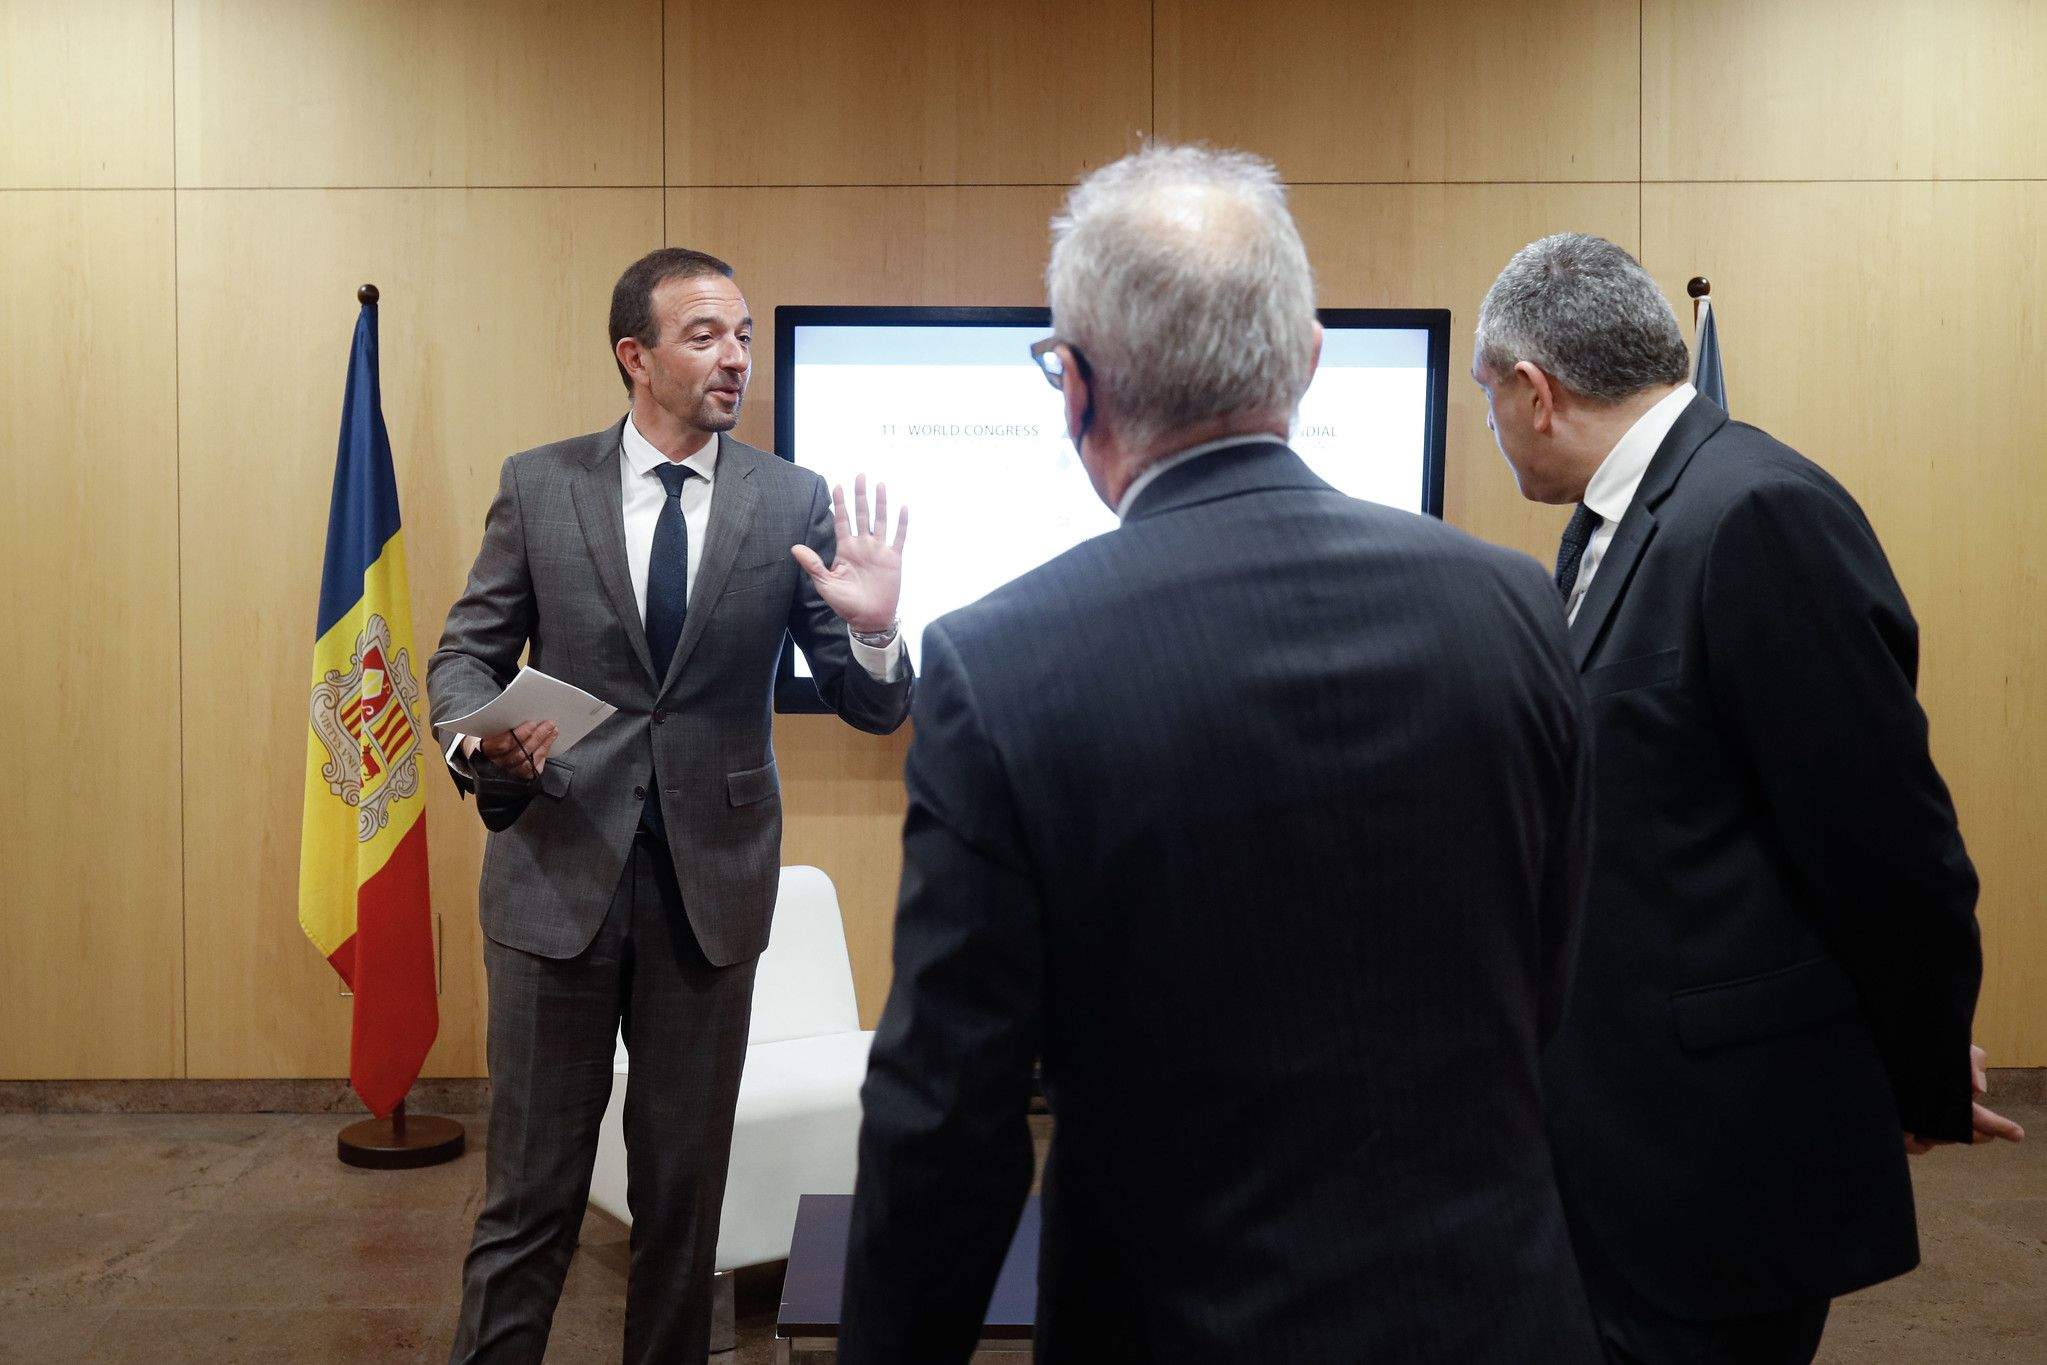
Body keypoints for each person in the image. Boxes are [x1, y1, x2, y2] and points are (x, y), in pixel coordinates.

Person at [838, 145, 1602, 1363]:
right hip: (1497, 1317)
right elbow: (1543, 980)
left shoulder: (1000, 666)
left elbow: (950, 1126)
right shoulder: (1513, 607)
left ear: (1075, 389)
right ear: (1305, 363)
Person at [1472, 232, 2022, 1364]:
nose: (1490, 430)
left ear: (1533, 391)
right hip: (1629, 1141)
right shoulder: (1614, 525)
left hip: (1713, 1165)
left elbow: (1885, 842)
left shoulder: (1755, 514)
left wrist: (1913, 1066)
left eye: (1486, 400)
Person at [430, 246, 914, 1363]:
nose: (736, 355)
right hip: (556, 879)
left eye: (742, 334)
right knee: (529, 1199)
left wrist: (877, 628)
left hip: (712, 895)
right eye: (706, 336)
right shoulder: (540, 484)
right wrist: (484, 733)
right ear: (634, 357)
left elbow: (867, 706)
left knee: (681, 1201)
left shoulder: (788, 499)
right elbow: (464, 657)